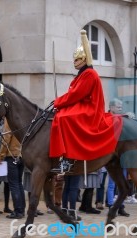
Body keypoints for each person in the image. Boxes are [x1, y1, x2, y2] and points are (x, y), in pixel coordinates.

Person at [49, 30, 123, 173]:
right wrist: (59, 103)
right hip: (82, 104)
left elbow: (75, 95)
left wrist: (58, 101)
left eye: (77, 60)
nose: (74, 62)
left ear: (84, 60)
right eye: (74, 59)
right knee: (60, 114)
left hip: (91, 108)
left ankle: (67, 159)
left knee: (64, 118)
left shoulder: (89, 74)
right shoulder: (83, 73)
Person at [0, 118, 25, 219]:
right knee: (19, 183)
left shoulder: (10, 120)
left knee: (14, 184)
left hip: (11, 155)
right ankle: (22, 209)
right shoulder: (23, 118)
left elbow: (6, 138)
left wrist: (0, 156)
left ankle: (18, 211)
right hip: (22, 155)